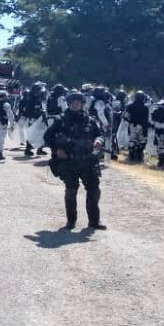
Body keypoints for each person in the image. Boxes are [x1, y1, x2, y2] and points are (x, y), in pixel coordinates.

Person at [44, 91, 106, 230]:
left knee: (94, 190)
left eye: (78, 102)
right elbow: (47, 137)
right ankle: (71, 221)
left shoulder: (91, 120)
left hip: (88, 160)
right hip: (69, 161)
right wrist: (57, 149)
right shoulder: (61, 120)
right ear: (68, 104)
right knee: (71, 191)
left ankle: (94, 221)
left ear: (82, 104)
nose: (75, 105)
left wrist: (98, 141)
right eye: (72, 102)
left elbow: (100, 135)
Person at [20, 85, 47, 156]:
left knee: (41, 134)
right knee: (32, 134)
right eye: (39, 90)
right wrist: (40, 111)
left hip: (37, 118)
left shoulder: (36, 98)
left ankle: (39, 150)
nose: (40, 91)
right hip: (33, 119)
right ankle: (27, 150)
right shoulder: (32, 99)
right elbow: (31, 110)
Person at [123, 91, 150, 162]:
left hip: (132, 125)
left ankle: (131, 155)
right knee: (142, 141)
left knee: (132, 140)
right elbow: (148, 119)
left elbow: (125, 116)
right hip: (142, 126)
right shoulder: (146, 107)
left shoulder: (130, 106)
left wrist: (130, 121)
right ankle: (139, 154)